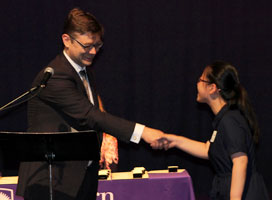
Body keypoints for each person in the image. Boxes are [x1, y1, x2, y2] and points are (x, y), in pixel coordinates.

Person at [16, 8, 163, 200]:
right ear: (66, 40)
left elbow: (94, 110)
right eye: (87, 45)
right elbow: (90, 116)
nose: (93, 52)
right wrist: (142, 132)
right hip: (50, 179)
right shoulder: (55, 75)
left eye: (98, 45)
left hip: (80, 177)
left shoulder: (83, 70)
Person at [154, 61, 269, 200]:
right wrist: (175, 141)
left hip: (245, 193)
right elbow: (208, 150)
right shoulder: (223, 119)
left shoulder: (229, 120)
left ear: (212, 88)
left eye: (200, 80)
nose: (197, 84)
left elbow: (240, 161)